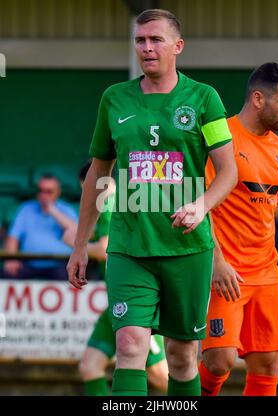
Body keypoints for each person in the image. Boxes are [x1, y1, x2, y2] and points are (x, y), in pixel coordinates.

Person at [67, 8, 237, 396]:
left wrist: (201, 206)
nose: (146, 47)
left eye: (155, 39)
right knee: (129, 346)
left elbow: (228, 172)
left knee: (180, 356)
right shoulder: (114, 99)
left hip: (187, 249)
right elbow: (98, 173)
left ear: (178, 46)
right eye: (140, 40)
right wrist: (80, 244)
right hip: (130, 247)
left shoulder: (204, 98)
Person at [199, 62, 278, 396]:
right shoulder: (220, 140)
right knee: (219, 361)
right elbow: (201, 205)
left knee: (269, 363)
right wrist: (216, 262)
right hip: (224, 270)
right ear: (258, 99)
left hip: (266, 274)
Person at [63, 160, 168, 395]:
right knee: (90, 366)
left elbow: (104, 249)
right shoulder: (115, 202)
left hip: (134, 302)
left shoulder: (110, 204)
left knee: (162, 377)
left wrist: (75, 242)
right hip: (116, 304)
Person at [3, 174, 77, 280]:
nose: (44, 195)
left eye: (49, 191)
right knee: (8, 273)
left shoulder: (66, 210)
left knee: (72, 277)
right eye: (41, 191)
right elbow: (13, 237)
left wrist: (52, 210)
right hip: (30, 264)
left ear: (58, 192)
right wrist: (11, 259)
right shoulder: (26, 209)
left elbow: (78, 233)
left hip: (60, 265)